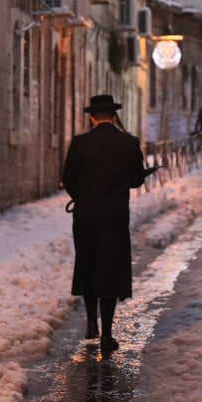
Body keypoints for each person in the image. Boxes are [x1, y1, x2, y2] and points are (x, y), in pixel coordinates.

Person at [61, 94, 147, 354]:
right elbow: (135, 180)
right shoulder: (129, 143)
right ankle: (108, 334)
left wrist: (83, 197)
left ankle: (90, 324)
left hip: (86, 215)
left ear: (92, 117)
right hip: (115, 216)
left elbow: (68, 179)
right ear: (114, 116)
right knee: (109, 268)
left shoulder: (80, 143)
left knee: (88, 262)